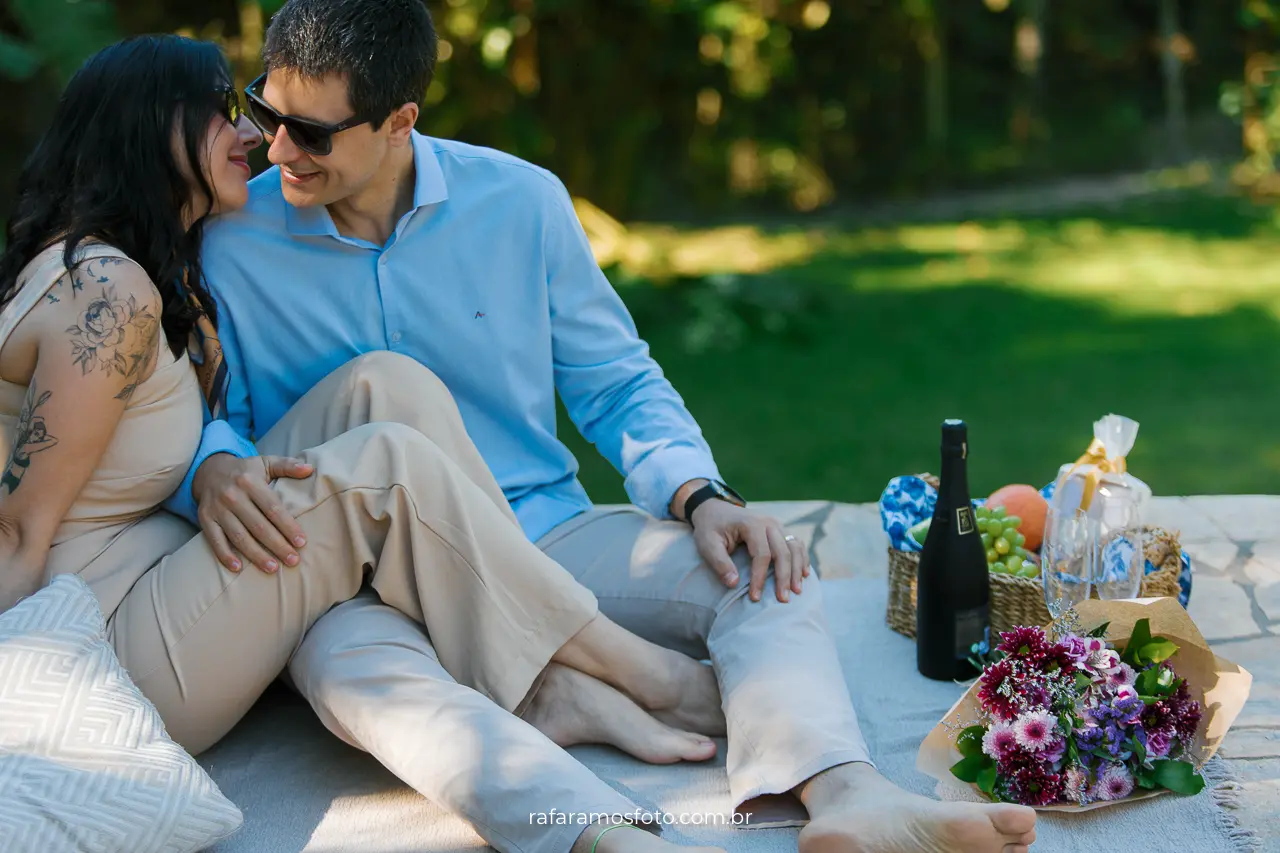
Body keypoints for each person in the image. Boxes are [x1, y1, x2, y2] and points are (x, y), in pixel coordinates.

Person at [173, 1, 1041, 852]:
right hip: (359, 577)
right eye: (266, 112)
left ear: (401, 120)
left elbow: (615, 381)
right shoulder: (234, 241)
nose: (278, 149)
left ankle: (848, 793)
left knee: (761, 567)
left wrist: (700, 493)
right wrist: (215, 460)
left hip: (539, 531)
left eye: (312, 133)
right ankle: (603, 833)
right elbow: (215, 418)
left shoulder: (521, 203)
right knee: (348, 674)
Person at [0, 33, 748, 853]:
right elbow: (17, 531)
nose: (257, 139)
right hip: (116, 657)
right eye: (225, 116)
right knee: (379, 470)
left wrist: (214, 460)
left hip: (165, 576)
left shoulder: (140, 268)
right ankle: (643, 675)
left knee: (387, 383)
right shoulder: (103, 292)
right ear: (151, 132)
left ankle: (547, 678)